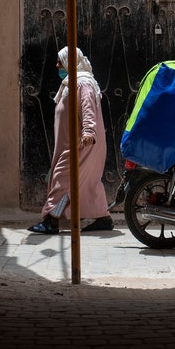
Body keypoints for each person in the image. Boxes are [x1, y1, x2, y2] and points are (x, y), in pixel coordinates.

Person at [28, 47, 113, 235]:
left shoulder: (82, 83)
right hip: (80, 142)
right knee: (87, 181)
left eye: (60, 61)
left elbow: (87, 106)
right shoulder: (72, 83)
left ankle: (51, 220)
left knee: (62, 178)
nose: (57, 65)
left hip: (82, 142)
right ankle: (103, 218)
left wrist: (88, 131)